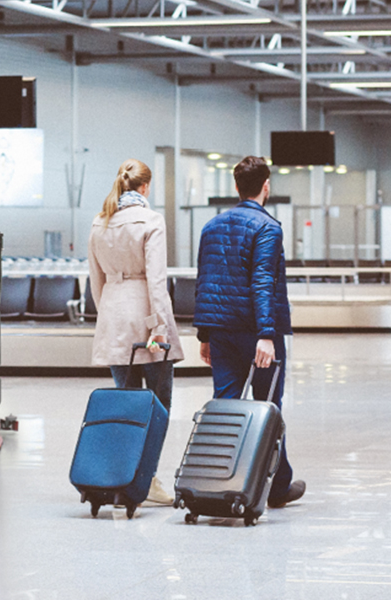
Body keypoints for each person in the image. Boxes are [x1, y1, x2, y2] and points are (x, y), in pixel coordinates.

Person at [193, 155, 306, 508]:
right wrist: (267, 334)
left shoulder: (211, 227)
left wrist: (205, 334)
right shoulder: (268, 227)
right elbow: (262, 282)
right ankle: (276, 488)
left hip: (222, 333)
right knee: (268, 406)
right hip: (256, 334)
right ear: (266, 186)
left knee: (226, 406)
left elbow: (205, 282)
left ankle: (215, 481)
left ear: (236, 186)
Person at [88, 158, 185, 506]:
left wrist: (110, 316)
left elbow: (95, 281)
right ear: (145, 187)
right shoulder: (150, 220)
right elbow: (157, 282)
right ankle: (148, 478)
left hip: (114, 317)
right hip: (147, 319)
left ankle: (122, 476)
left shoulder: (100, 222)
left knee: (125, 403)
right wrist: (160, 327)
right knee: (158, 404)